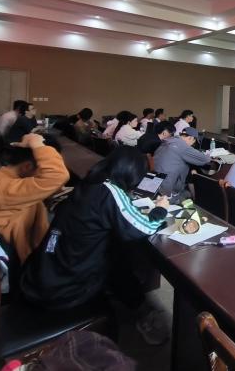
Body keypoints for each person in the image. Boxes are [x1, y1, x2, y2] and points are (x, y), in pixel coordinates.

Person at [20, 147, 170, 345]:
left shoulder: (90, 182)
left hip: (44, 274)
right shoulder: (109, 191)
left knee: (116, 255)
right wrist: (160, 209)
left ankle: (138, 306)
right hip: (67, 289)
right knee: (117, 259)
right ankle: (142, 313)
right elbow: (143, 227)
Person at [0, 133, 69, 264]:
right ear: (27, 166)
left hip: (23, 248)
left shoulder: (4, 179)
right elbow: (58, 176)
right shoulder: (7, 188)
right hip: (27, 262)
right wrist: (37, 144)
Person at [153, 126, 210, 201]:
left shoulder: (169, 140)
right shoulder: (182, 146)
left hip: (155, 183)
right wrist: (209, 155)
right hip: (165, 192)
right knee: (188, 196)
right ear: (191, 138)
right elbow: (205, 159)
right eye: (194, 142)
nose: (192, 144)